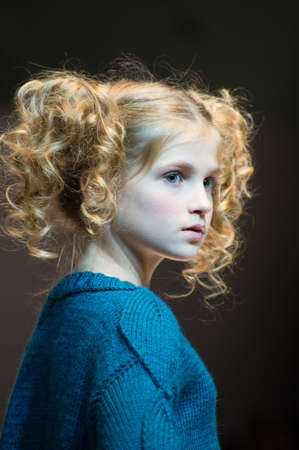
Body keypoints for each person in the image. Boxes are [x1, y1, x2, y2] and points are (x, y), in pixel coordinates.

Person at [0, 56, 255, 449]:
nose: (204, 203)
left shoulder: (71, 308)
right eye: (174, 176)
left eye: (209, 181)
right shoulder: (134, 319)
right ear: (97, 185)